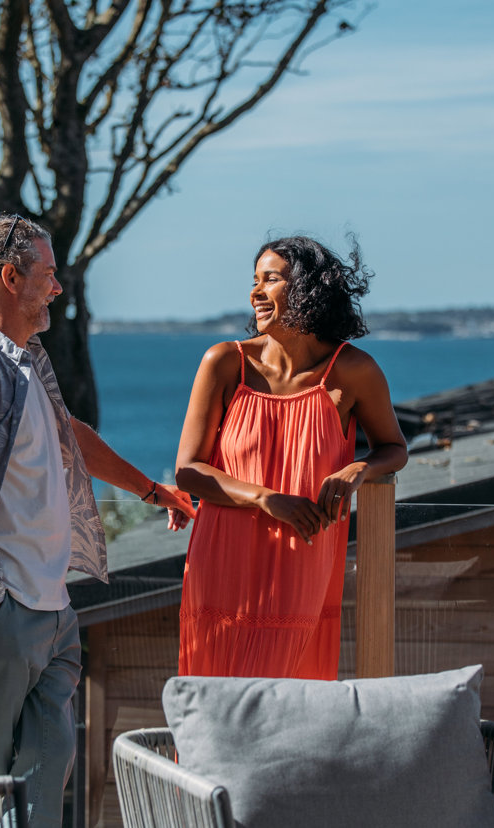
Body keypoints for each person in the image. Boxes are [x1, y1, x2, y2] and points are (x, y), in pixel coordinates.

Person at [0, 213, 195, 827]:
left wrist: (152, 491)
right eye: (48, 275)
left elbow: (71, 435)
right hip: (3, 607)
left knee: (48, 764)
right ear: (12, 278)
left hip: (50, 603)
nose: (58, 288)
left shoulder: (22, 357)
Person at [175, 235, 407, 680]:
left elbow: (393, 449)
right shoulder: (225, 363)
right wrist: (267, 498)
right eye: (254, 281)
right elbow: (188, 472)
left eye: (271, 279)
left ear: (307, 289)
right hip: (221, 563)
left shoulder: (354, 371)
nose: (255, 292)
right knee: (216, 704)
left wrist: (360, 468)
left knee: (287, 708)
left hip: (301, 564)